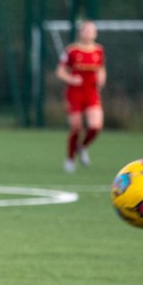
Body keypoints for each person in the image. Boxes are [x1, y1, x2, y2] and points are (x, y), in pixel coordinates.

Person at [55, 20, 106, 173]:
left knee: (95, 126)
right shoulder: (72, 50)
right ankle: (70, 159)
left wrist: (102, 79)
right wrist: (71, 79)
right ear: (81, 32)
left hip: (91, 93)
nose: (90, 33)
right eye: (87, 30)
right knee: (76, 127)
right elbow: (60, 71)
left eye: (92, 30)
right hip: (74, 93)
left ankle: (81, 147)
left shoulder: (99, 50)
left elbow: (101, 69)